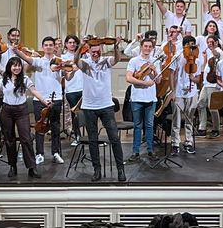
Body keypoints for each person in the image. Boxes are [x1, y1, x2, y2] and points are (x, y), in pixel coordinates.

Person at [0, 56, 51, 179]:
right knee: (9, 139)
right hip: (7, 110)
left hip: (21, 110)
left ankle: (31, 167)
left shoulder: (25, 79)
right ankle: (13, 166)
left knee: (26, 138)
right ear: (9, 67)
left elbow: (34, 91)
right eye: (14, 66)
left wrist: (44, 101)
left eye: (18, 65)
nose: (17, 68)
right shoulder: (3, 80)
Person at [75, 40, 126, 182]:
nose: (96, 53)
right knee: (93, 140)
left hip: (106, 105)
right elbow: (75, 60)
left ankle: (120, 169)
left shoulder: (106, 61)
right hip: (89, 107)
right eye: (93, 51)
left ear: (101, 50)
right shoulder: (85, 63)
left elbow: (117, 59)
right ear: (89, 51)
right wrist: (81, 46)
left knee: (114, 138)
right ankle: (96, 169)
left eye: (98, 51)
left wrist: (116, 46)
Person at [30, 37, 64, 165]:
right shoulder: (38, 61)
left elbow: (69, 74)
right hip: (40, 99)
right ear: (43, 47)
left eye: (51, 45)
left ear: (54, 47)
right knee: (40, 126)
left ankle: (56, 153)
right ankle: (39, 153)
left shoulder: (60, 61)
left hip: (56, 98)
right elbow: (27, 60)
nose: (49, 47)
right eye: (46, 45)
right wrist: (17, 51)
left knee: (55, 126)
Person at [170, 34, 205, 156]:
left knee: (190, 118)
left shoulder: (198, 60)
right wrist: (173, 91)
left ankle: (188, 142)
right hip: (179, 91)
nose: (191, 49)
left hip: (192, 92)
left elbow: (199, 79)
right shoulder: (177, 57)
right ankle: (175, 143)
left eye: (193, 46)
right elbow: (172, 75)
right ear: (184, 46)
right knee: (177, 118)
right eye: (188, 46)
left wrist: (193, 78)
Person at [125, 36, 158, 161]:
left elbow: (158, 80)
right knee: (137, 126)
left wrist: (154, 71)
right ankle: (135, 152)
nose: (147, 49)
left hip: (151, 98)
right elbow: (129, 78)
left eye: (150, 47)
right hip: (137, 98)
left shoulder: (155, 61)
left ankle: (150, 150)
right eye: (145, 46)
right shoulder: (134, 61)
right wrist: (144, 83)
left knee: (149, 125)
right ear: (141, 47)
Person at [196, 33, 222, 138]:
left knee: (212, 107)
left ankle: (216, 128)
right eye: (208, 42)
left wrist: (212, 49)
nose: (209, 44)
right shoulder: (208, 52)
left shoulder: (219, 51)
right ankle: (202, 127)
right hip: (206, 83)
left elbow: (218, 56)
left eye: (211, 42)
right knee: (201, 103)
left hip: (214, 84)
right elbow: (207, 67)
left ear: (216, 42)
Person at [60, 35, 84, 146]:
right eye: (70, 42)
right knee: (75, 115)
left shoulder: (83, 55)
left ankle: (91, 137)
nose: (72, 44)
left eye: (74, 42)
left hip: (84, 88)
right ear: (66, 44)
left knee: (88, 114)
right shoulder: (63, 57)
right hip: (71, 90)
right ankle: (77, 136)